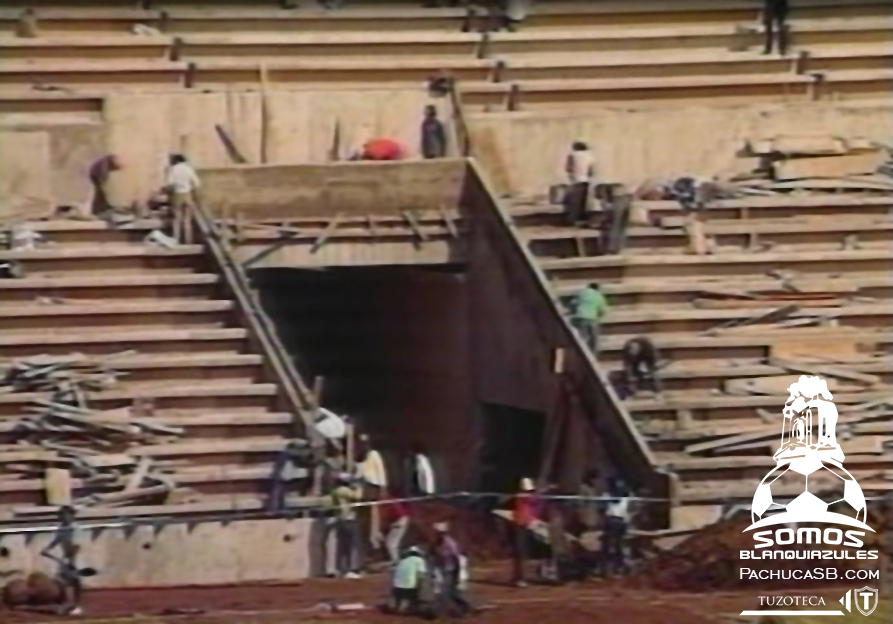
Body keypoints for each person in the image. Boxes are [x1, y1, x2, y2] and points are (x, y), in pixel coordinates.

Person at [40, 506, 84, 615]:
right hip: (65, 558)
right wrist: (47, 549)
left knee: (75, 582)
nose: (62, 517)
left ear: (71, 515)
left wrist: (72, 560)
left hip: (75, 558)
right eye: (61, 515)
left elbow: (77, 545)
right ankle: (68, 603)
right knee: (61, 581)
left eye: (65, 514)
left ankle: (76, 605)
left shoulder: (75, 528)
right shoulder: (62, 528)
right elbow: (56, 540)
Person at [432, 523, 471, 617]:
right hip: (443, 569)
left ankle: (449, 611)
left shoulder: (449, 543)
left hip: (451, 569)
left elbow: (456, 557)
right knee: (450, 593)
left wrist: (457, 572)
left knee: (446, 592)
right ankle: (464, 607)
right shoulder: (438, 542)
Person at [331, 473, 364, 579]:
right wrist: (359, 486)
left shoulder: (335, 491)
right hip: (348, 519)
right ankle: (348, 569)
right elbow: (358, 496)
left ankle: (341, 569)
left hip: (342, 519)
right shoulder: (342, 490)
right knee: (349, 545)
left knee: (344, 546)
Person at [164, 154, 201, 244]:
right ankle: (188, 240)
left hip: (177, 194)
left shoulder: (174, 169)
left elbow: (169, 183)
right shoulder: (189, 169)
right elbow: (197, 183)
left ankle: (176, 239)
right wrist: (190, 188)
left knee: (177, 219)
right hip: (187, 195)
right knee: (187, 220)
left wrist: (169, 192)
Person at [600, 478, 631, 578]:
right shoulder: (626, 495)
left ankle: (611, 569)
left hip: (613, 521)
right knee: (618, 545)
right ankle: (617, 568)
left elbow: (601, 508)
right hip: (619, 521)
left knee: (610, 545)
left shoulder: (607, 495)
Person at [511, 477, 537, 588]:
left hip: (525, 524)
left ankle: (519, 576)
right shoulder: (521, 496)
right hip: (519, 525)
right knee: (520, 552)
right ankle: (519, 578)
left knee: (523, 552)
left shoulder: (526, 496)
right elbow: (533, 499)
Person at [563, 141, 595, 226]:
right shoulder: (589, 155)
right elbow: (591, 170)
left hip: (575, 180)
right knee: (583, 202)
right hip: (585, 180)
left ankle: (573, 219)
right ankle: (583, 219)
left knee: (573, 201)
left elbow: (568, 168)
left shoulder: (572, 155)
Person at [572, 283, 608, 354]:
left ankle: (580, 353)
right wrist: (599, 316)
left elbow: (573, 303)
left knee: (582, 337)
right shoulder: (598, 295)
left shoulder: (582, 293)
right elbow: (602, 310)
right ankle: (593, 354)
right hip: (592, 318)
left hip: (581, 317)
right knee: (594, 339)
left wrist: (574, 311)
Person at [390, 546, 427, 615]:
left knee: (398, 601)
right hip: (408, 587)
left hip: (396, 586)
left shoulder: (402, 561)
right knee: (419, 590)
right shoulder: (419, 560)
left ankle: (396, 605)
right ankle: (408, 607)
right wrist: (420, 588)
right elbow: (420, 576)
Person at [381, 488, 410, 564]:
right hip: (401, 520)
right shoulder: (391, 500)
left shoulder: (390, 501)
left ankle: (396, 561)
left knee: (391, 544)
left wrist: (392, 524)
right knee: (390, 542)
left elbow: (396, 515)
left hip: (400, 521)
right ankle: (395, 560)